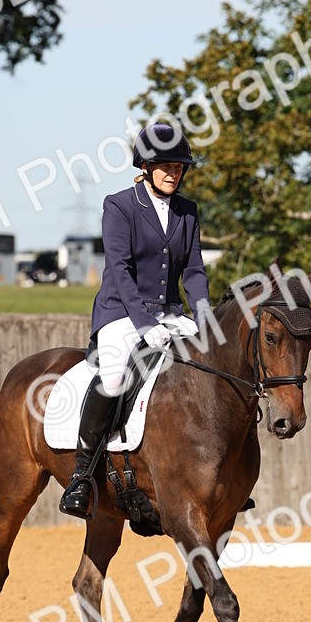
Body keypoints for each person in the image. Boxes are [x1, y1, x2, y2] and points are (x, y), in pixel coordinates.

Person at [59, 121, 210, 518]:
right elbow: (120, 270)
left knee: (211, 366)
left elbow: (193, 271)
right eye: (164, 166)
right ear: (145, 166)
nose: (172, 173)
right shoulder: (120, 205)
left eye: (178, 167)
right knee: (112, 377)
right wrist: (145, 325)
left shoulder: (188, 212)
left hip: (172, 314)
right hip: (122, 313)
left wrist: (205, 316)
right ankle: (81, 474)